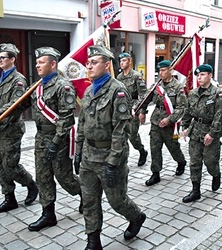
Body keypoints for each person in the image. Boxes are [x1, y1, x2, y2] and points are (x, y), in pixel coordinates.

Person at [74, 44, 146, 249]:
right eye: (88, 63)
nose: (89, 66)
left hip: (109, 156)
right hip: (89, 155)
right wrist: (78, 151)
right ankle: (93, 241)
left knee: (117, 201)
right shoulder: (88, 90)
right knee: (89, 200)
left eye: (94, 62)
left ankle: (137, 217)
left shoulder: (118, 91)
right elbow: (82, 123)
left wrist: (113, 162)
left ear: (107, 65)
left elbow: (121, 130)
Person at [27, 47, 82, 232]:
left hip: (58, 140)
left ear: (53, 64)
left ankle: (84, 193)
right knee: (42, 177)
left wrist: (56, 142)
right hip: (40, 137)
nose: (37, 66)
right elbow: (19, 103)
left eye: (41, 62)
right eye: (36, 63)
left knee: (64, 178)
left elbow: (67, 118)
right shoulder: (37, 86)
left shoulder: (63, 86)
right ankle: (48, 214)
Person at [0, 43, 38, 215]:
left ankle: (31, 185)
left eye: (3, 57)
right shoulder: (2, 78)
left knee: (10, 165)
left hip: (11, 129)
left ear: (12, 59)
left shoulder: (18, 80)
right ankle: (9, 198)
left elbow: (15, 105)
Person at [181, 64, 222, 203]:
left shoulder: (217, 94)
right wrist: (184, 126)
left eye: (202, 75)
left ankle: (216, 174)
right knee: (194, 162)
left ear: (210, 76)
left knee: (210, 161)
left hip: (210, 132)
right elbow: (187, 112)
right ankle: (195, 190)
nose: (199, 78)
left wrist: (212, 134)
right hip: (195, 132)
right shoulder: (193, 93)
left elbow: (220, 116)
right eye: (198, 75)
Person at [139, 60, 187, 186]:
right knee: (155, 148)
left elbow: (182, 107)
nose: (161, 73)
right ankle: (155, 173)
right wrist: (142, 112)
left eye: (163, 70)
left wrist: (169, 119)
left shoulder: (177, 87)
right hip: (155, 121)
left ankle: (181, 162)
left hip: (169, 124)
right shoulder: (156, 86)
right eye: (159, 70)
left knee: (173, 148)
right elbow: (146, 98)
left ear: (170, 70)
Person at [116, 52, 148, 166]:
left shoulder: (136, 76)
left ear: (130, 62)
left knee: (133, 136)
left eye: (124, 61)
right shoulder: (119, 77)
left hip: (134, 109)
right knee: (121, 135)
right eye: (120, 61)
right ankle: (123, 158)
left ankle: (142, 151)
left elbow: (144, 95)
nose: (121, 63)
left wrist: (139, 110)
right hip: (122, 109)